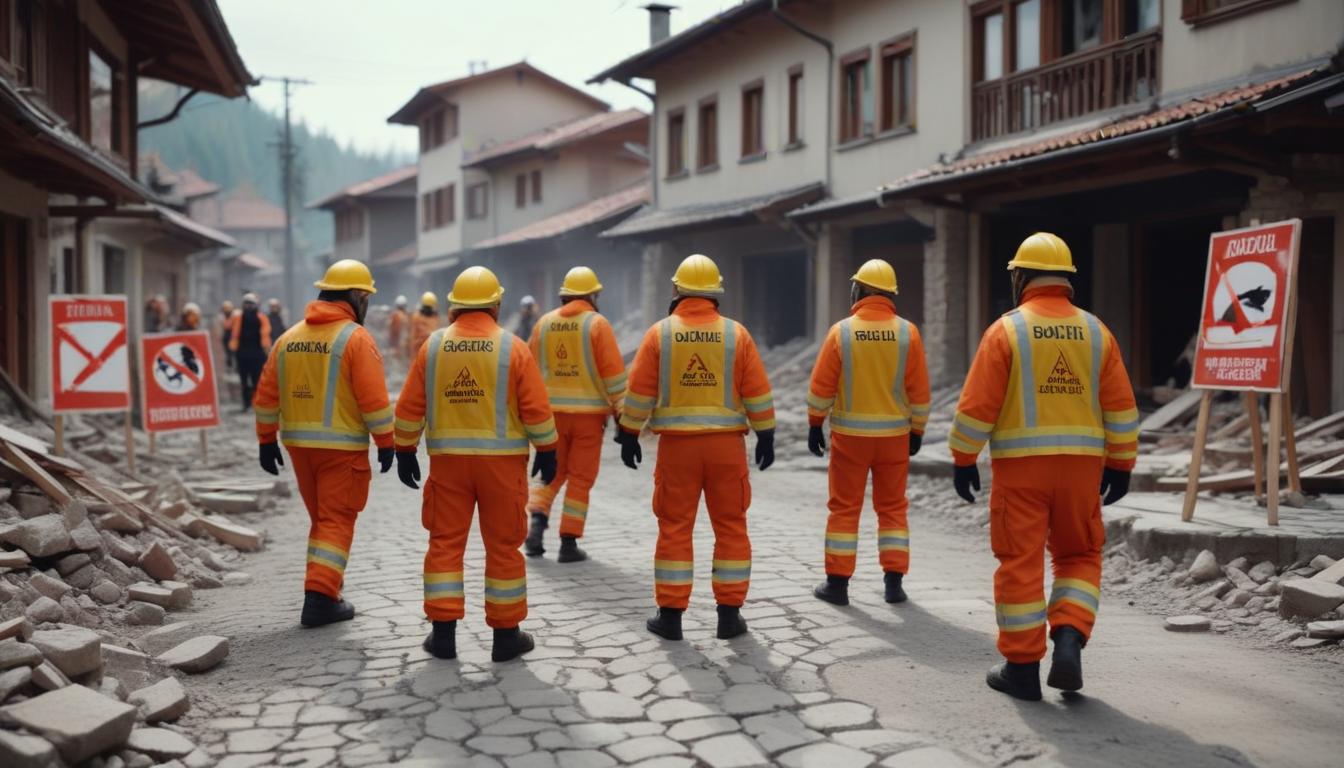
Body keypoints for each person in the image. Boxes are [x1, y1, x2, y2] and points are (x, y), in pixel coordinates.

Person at [949, 232, 1138, 701]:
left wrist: (963, 457)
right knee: (1079, 554)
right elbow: (1120, 406)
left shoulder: (1006, 330)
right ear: (1067, 280)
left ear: (1020, 277)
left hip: (1021, 471)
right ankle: (1070, 635)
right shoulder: (1097, 332)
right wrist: (1122, 463)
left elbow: (977, 408)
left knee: (1021, 561)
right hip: (1081, 471)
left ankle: (1021, 669)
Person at [393, 266, 558, 662]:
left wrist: (403, 448)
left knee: (445, 544)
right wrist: (548, 450)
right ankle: (505, 636)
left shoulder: (432, 346)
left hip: (448, 465)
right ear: (496, 305)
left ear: (453, 307)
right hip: (501, 466)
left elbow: (410, 405)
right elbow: (536, 408)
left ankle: (443, 634)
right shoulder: (511, 346)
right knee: (503, 546)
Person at [617, 254, 775, 642]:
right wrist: (767, 433)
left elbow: (639, 392)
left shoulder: (661, 334)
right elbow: (756, 390)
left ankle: (670, 617)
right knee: (732, 526)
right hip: (726, 448)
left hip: (677, 450)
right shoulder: (736, 334)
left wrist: (628, 432)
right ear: (716, 293)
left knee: (674, 527)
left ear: (676, 290)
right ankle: (729, 616)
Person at [252, 259, 395, 628]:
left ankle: (327, 590)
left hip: (299, 446)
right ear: (357, 296)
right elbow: (374, 401)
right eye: (366, 298)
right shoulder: (355, 338)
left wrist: (266, 440)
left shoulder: (288, 337)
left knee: (321, 520)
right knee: (336, 521)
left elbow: (267, 395)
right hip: (342, 449)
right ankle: (319, 598)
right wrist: (389, 443)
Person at [807, 259, 930, 607]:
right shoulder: (908, 333)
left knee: (844, 509)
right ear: (890, 294)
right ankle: (894, 583)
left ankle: (837, 585)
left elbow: (821, 387)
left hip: (850, 438)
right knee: (892, 508)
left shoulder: (842, 332)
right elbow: (919, 390)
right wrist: (917, 429)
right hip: (894, 437)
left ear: (858, 290)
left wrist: (815, 422)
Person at [523, 266, 627, 563]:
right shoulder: (597, 324)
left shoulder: (543, 324)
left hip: (550, 417)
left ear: (563, 295)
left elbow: (528, 372)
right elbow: (615, 378)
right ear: (593, 295)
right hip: (588, 417)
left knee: (551, 473)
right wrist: (625, 419)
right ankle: (568, 543)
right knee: (580, 478)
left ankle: (536, 526)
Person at [228, 293, 272, 412]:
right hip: (242, 354)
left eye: (250, 304)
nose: (248, 306)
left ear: (256, 305)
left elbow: (267, 335)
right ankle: (246, 403)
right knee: (243, 381)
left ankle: (254, 403)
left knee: (257, 381)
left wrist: (267, 352)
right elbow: (229, 329)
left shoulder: (262, 318)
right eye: (246, 303)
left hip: (257, 354)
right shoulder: (237, 317)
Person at [407, 291, 441, 359]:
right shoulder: (417, 317)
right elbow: (413, 336)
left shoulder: (435, 317)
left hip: (431, 353)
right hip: (419, 351)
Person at [216, 300, 236, 372]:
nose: (227, 310)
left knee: (233, 352)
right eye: (225, 308)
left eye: (228, 308)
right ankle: (229, 366)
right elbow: (220, 327)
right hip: (225, 335)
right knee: (227, 352)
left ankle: (234, 367)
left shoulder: (234, 316)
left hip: (233, 335)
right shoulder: (221, 317)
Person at [389, 295, 409, 362]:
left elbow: (392, 332)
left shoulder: (395, 316)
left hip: (398, 347)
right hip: (404, 347)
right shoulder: (406, 316)